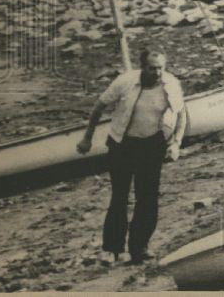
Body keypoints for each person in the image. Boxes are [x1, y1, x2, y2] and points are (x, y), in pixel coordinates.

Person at [77, 49, 186, 266]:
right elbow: (99, 107)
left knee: (148, 198)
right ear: (142, 66)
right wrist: (87, 139)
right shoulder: (125, 81)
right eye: (151, 67)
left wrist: (176, 144)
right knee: (120, 197)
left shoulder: (171, 84)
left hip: (152, 145)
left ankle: (140, 248)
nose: (156, 72)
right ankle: (111, 249)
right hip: (122, 145)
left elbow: (182, 113)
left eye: (160, 68)